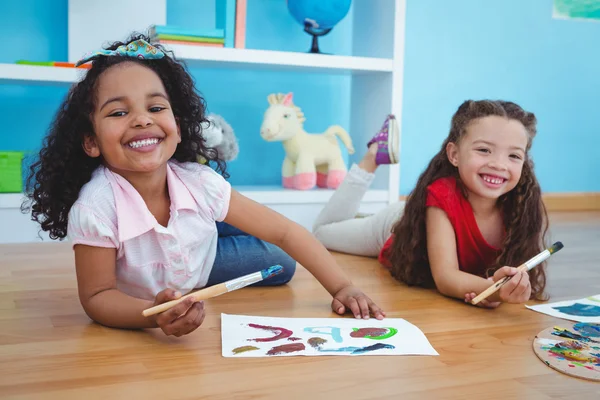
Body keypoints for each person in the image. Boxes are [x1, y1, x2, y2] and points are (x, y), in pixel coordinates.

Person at [24, 33, 385, 337]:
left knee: (282, 258)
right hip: (199, 265)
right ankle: (214, 222)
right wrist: (152, 314)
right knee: (281, 263)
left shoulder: (199, 181)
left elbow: (287, 232)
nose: (140, 120)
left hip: (200, 238)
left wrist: (343, 287)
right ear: (91, 142)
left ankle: (215, 220)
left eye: (156, 108)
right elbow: (97, 296)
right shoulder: (94, 208)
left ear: (178, 127)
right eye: (119, 113)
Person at [313, 101, 549, 308]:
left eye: (514, 156)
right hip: (395, 225)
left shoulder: (521, 205)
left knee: (345, 225)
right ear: (454, 154)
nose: (499, 164)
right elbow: (446, 278)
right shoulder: (441, 194)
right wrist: (496, 289)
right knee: (323, 233)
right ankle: (374, 156)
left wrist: (509, 285)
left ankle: (360, 216)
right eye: (484, 150)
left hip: (425, 218)